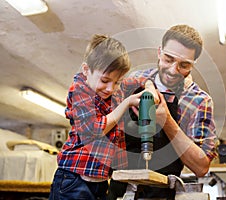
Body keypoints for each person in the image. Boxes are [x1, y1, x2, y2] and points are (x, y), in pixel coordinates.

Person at [107, 24, 219, 200]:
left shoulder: (199, 102)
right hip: (119, 192)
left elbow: (201, 167)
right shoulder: (131, 82)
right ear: (159, 52)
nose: (173, 70)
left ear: (193, 65)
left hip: (161, 193)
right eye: (168, 59)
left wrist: (166, 120)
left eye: (184, 65)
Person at [48, 34, 157, 200]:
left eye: (117, 82)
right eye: (105, 80)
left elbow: (143, 79)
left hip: (100, 182)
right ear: (86, 70)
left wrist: (150, 88)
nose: (110, 89)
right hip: (74, 179)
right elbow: (94, 130)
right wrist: (126, 102)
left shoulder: (114, 87)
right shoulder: (79, 90)